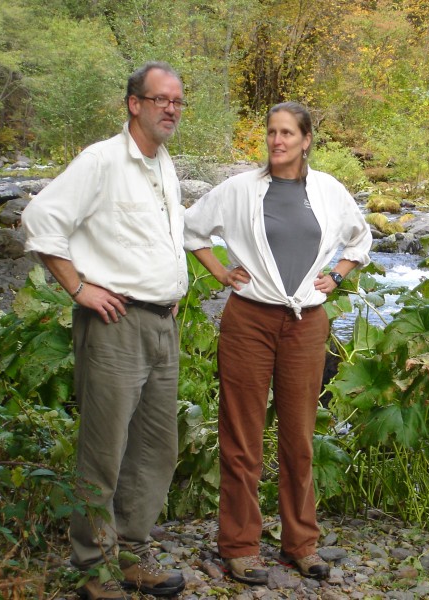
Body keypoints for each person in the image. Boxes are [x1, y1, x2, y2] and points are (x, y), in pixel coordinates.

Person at [183, 101, 372, 585]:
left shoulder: (328, 191)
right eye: (271, 132)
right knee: (242, 436)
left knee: (299, 438)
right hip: (249, 320)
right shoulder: (240, 190)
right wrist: (221, 271)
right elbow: (192, 229)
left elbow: (359, 238)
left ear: (307, 140)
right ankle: (241, 546)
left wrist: (338, 273)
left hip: (306, 324)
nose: (277, 141)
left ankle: (300, 544)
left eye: (288, 133)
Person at [21, 62, 188, 600]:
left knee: (154, 447)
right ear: (133, 104)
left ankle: (134, 553)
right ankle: (94, 568)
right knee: (104, 450)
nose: (170, 108)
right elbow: (41, 219)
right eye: (160, 99)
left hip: (162, 324)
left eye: (177, 101)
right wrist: (78, 288)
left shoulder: (163, 164)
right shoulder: (101, 160)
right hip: (115, 322)